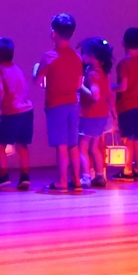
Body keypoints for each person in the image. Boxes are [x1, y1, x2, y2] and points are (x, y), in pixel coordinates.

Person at [36, 13, 83, 193]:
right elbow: (78, 85)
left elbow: (38, 81)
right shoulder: (77, 57)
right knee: (73, 145)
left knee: (61, 145)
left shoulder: (49, 56)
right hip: (73, 104)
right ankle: (76, 180)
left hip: (56, 105)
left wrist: (35, 70)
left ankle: (62, 180)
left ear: (53, 33)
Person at [0, 36, 33, 191]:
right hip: (27, 110)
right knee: (22, 144)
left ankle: (3, 176)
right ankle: (25, 176)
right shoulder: (17, 68)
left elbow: (0, 89)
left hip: (11, 111)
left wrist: (2, 105)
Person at [114, 27, 138, 180]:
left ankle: (127, 170)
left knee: (127, 138)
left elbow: (123, 87)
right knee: (135, 137)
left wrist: (110, 87)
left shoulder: (123, 64)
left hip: (126, 105)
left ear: (123, 43)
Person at [78, 37, 113, 189]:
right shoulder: (104, 72)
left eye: (84, 53)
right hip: (101, 114)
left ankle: (86, 177)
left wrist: (80, 86)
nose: (82, 56)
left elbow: (95, 95)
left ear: (92, 55)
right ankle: (100, 175)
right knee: (95, 147)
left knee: (82, 146)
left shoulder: (92, 73)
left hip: (90, 114)